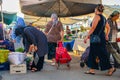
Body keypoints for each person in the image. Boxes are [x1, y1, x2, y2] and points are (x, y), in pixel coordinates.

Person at [84, 4, 116, 76]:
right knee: (99, 53)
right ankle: (92, 69)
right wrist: (106, 35)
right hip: (101, 38)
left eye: (95, 9)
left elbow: (93, 28)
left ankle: (110, 68)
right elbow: (108, 28)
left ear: (97, 10)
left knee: (97, 53)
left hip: (96, 38)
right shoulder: (104, 18)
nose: (94, 10)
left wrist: (87, 36)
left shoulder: (97, 16)